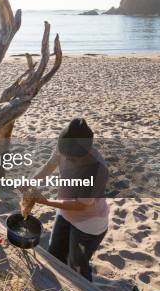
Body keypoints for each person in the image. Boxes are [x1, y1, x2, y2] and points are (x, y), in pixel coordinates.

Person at [20, 118, 109, 281]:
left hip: (88, 225)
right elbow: (48, 166)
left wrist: (45, 202)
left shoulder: (97, 169)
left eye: (72, 158)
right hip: (64, 214)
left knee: (77, 266)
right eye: (65, 155)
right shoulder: (66, 148)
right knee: (55, 254)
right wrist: (30, 182)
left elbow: (81, 205)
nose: (67, 159)